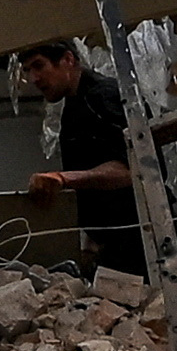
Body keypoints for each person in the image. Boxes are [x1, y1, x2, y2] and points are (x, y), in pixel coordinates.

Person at [18, 41, 149, 281]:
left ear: (68, 60)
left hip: (143, 241)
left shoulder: (105, 96)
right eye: (28, 70)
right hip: (109, 243)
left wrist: (62, 179)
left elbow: (131, 170)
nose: (34, 78)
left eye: (39, 66)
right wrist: (90, 245)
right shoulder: (73, 105)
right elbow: (92, 186)